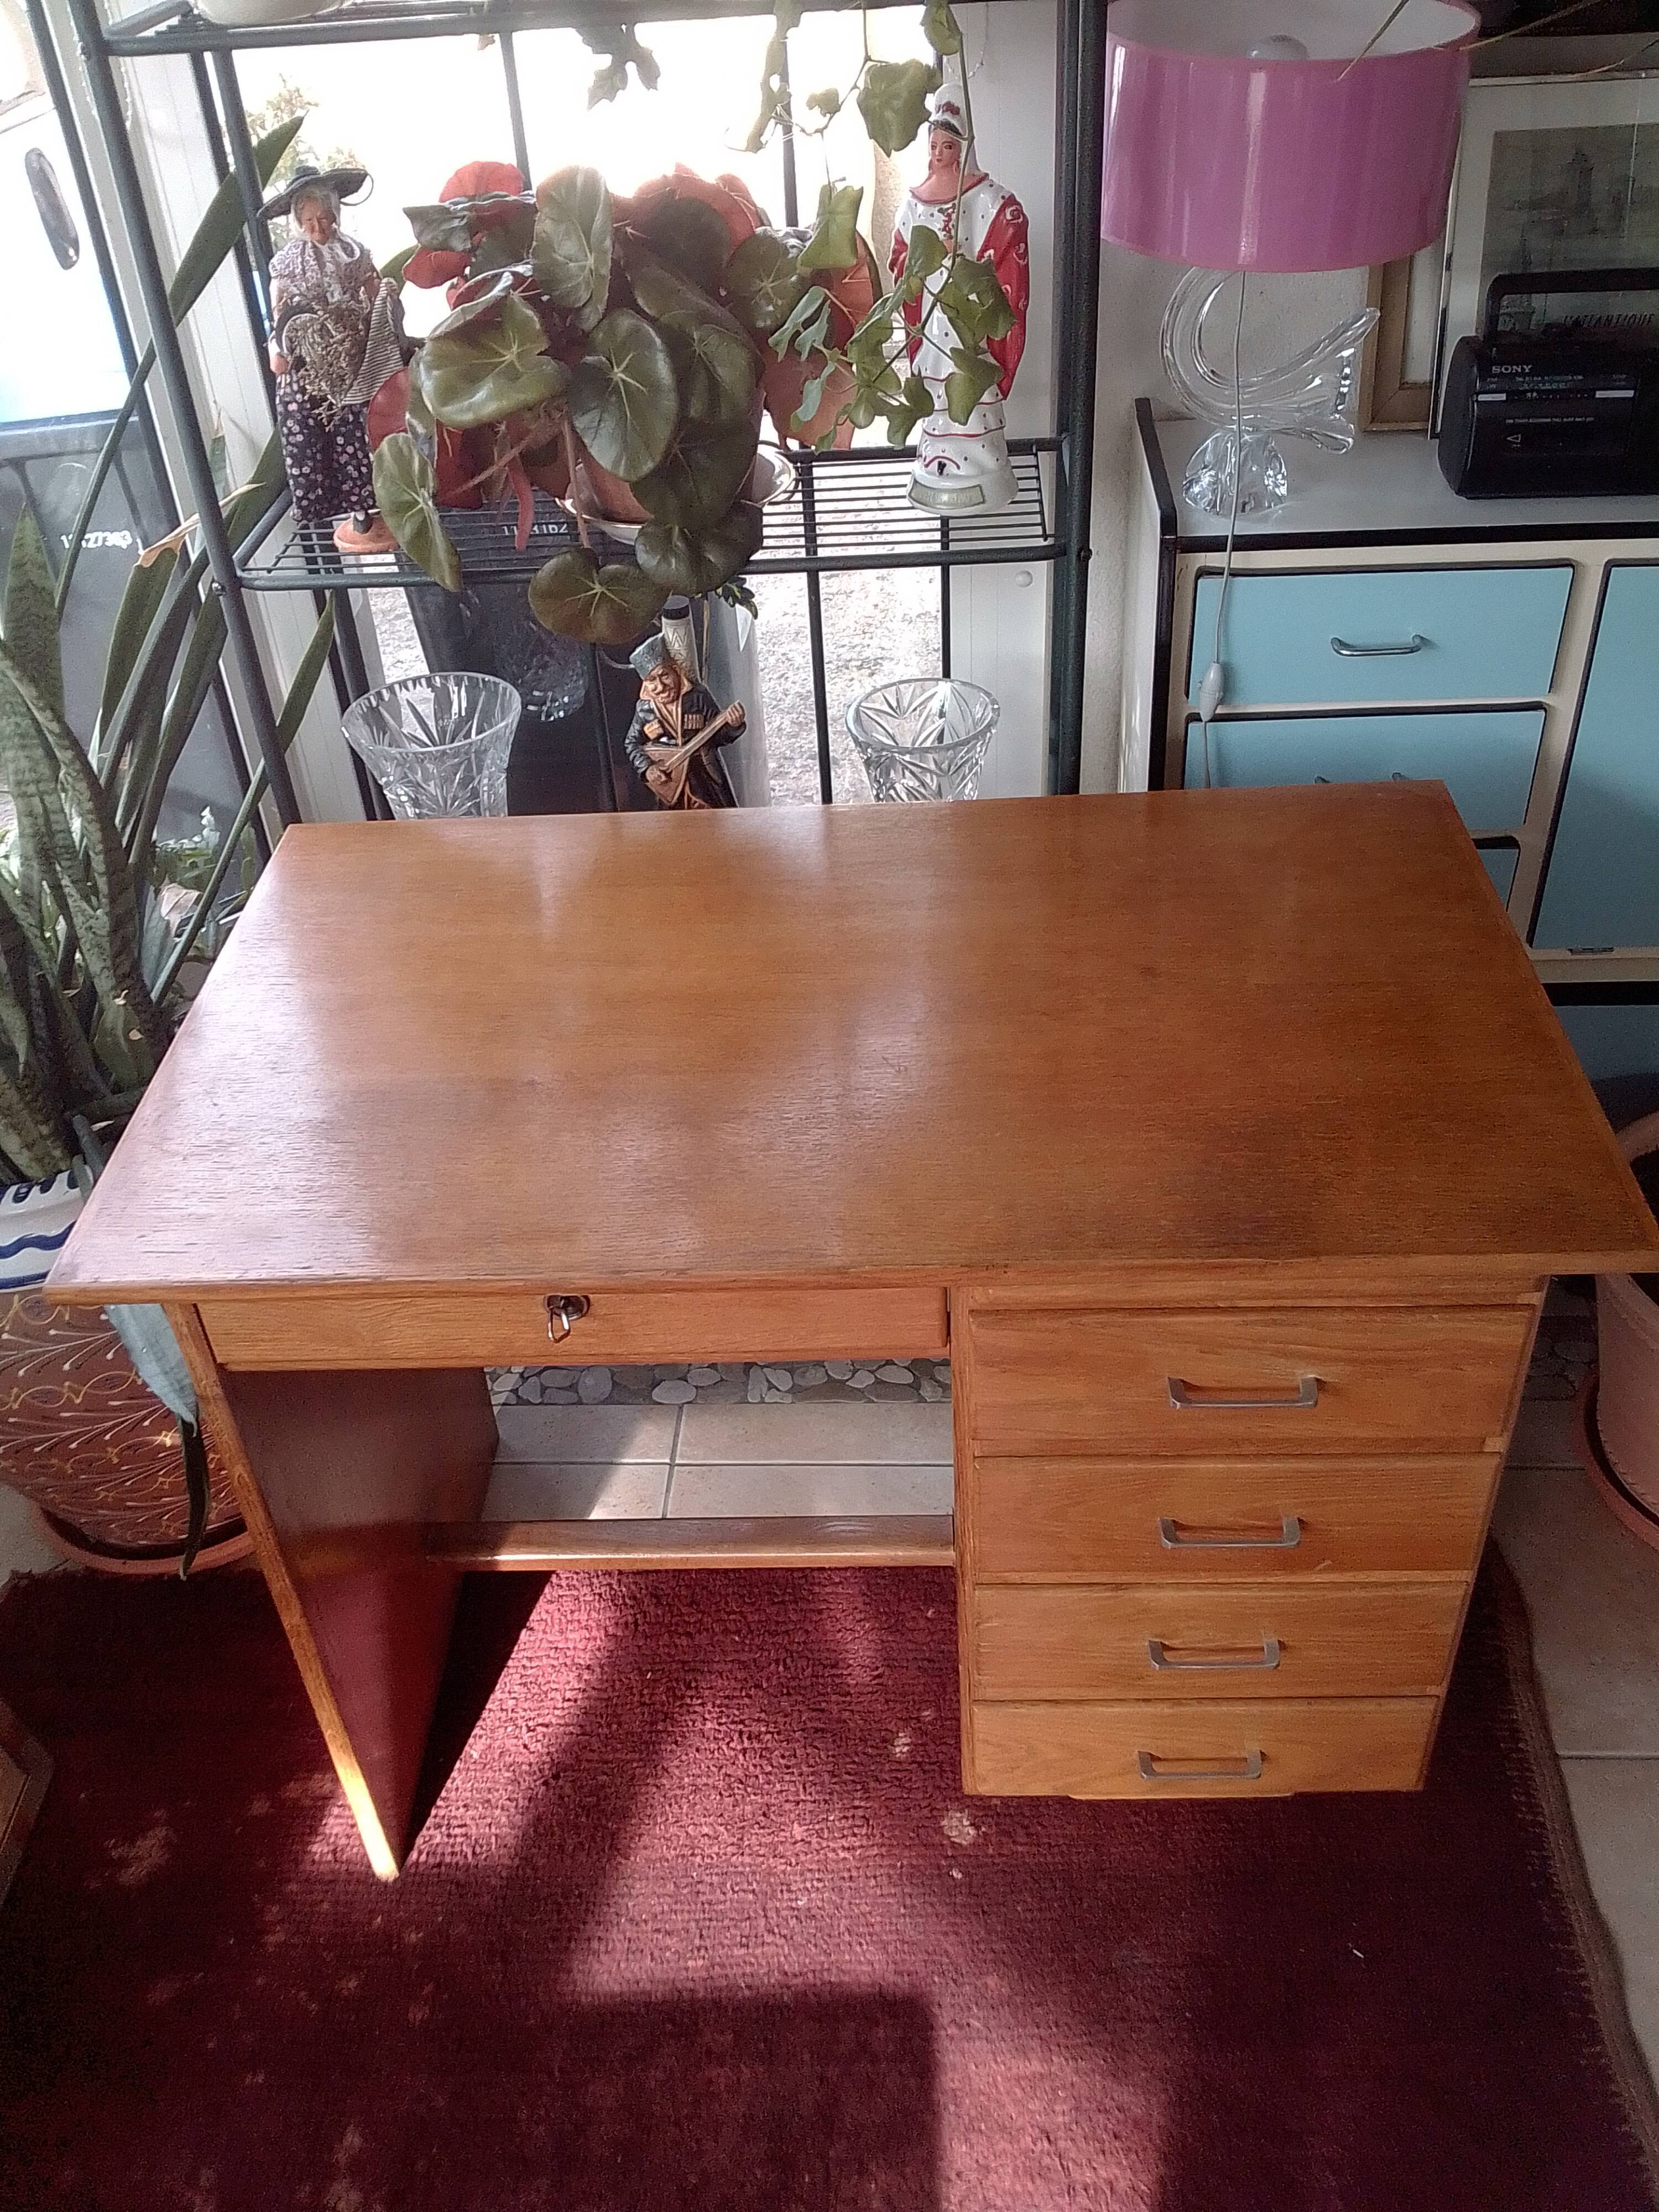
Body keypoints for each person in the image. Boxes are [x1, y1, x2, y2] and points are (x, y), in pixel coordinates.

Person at [888, 81, 1030, 513]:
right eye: (934, 145)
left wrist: (975, 263)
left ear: (963, 147)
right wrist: (915, 269)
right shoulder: (915, 203)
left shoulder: (988, 200)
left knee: (971, 381)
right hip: (933, 318)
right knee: (935, 384)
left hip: (968, 321)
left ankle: (980, 461)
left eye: (948, 146)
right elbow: (899, 256)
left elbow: (1008, 248)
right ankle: (938, 459)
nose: (939, 154)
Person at [262, 164, 402, 554]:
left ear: (336, 215)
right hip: (308, 357)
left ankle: (377, 505)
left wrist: (382, 304)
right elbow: (279, 312)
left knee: (361, 431)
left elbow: (372, 288)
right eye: (309, 221)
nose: (318, 228)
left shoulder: (353, 251)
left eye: (324, 219)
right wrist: (279, 346)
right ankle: (345, 511)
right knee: (312, 433)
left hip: (351, 350)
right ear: (298, 222)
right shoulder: (288, 262)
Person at [624, 634, 744, 810]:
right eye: (651, 681)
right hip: (669, 782)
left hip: (704, 776)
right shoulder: (644, 709)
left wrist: (733, 725)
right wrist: (648, 768)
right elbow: (632, 743)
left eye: (664, 675)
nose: (660, 686)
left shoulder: (698, 697)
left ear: (675, 671)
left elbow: (719, 737)